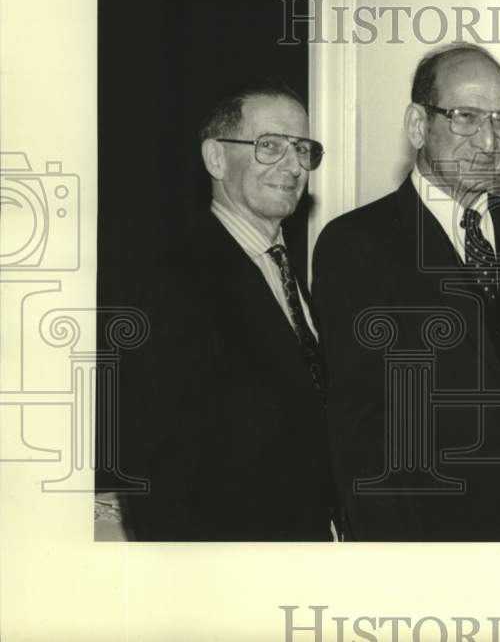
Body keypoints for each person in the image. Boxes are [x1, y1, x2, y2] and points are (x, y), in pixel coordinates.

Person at [312, 44, 500, 541]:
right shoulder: (355, 244)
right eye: (466, 117)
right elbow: (358, 432)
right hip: (429, 555)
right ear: (419, 125)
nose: (488, 139)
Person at [120, 81, 338, 541]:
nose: (294, 165)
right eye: (270, 146)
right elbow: (159, 480)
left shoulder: (284, 268)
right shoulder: (175, 283)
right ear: (216, 158)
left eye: (303, 148)